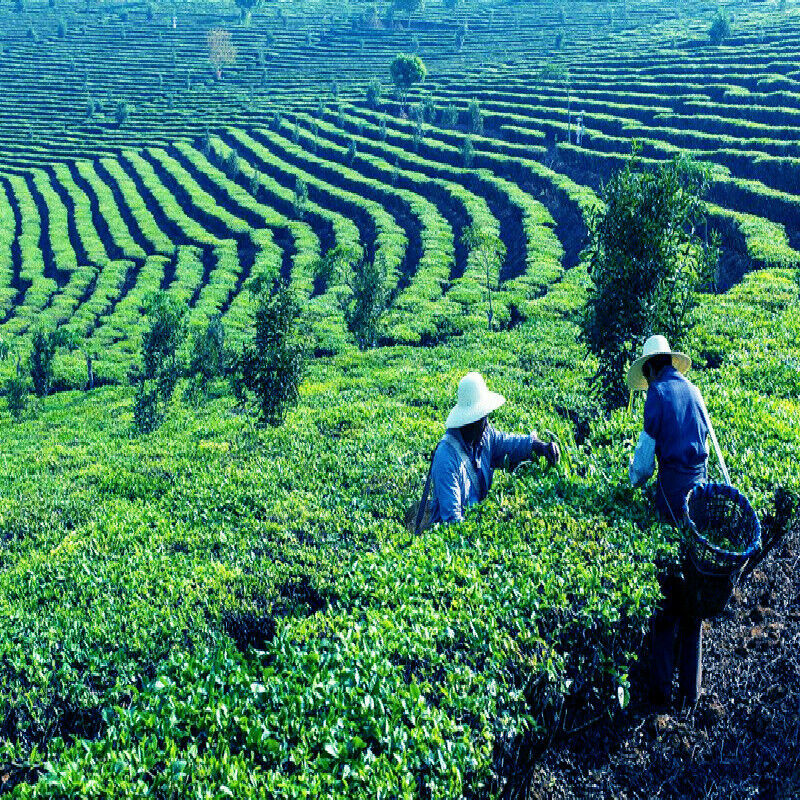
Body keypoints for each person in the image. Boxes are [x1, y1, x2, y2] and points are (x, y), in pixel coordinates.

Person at [627, 335, 710, 710]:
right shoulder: (694, 392)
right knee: (693, 603)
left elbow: (643, 465)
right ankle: (690, 695)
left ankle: (661, 694)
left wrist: (630, 484)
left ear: (650, 368)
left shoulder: (657, 396)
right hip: (702, 504)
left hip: (673, 508)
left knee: (666, 605)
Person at [428, 372, 560, 525]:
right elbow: (452, 521)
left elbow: (511, 443)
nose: (487, 423)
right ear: (474, 420)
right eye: (484, 418)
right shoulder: (446, 457)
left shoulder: (484, 436)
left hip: (475, 523)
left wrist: (539, 446)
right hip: (458, 537)